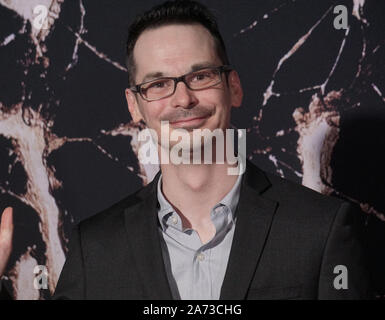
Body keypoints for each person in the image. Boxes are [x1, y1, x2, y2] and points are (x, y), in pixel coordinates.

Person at [0, 0, 373, 299]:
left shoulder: (320, 229)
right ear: (135, 106)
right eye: (159, 83)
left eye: (200, 76)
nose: (183, 98)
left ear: (234, 87)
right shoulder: (94, 247)